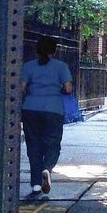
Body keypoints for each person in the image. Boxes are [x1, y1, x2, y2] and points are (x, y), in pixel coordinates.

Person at [21, 36, 74, 201]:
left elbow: (21, 88)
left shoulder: (28, 66)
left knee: (33, 145)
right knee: (52, 144)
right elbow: (68, 88)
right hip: (53, 109)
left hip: (30, 109)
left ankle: (36, 184)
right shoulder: (61, 67)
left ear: (37, 50)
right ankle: (47, 169)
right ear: (54, 50)